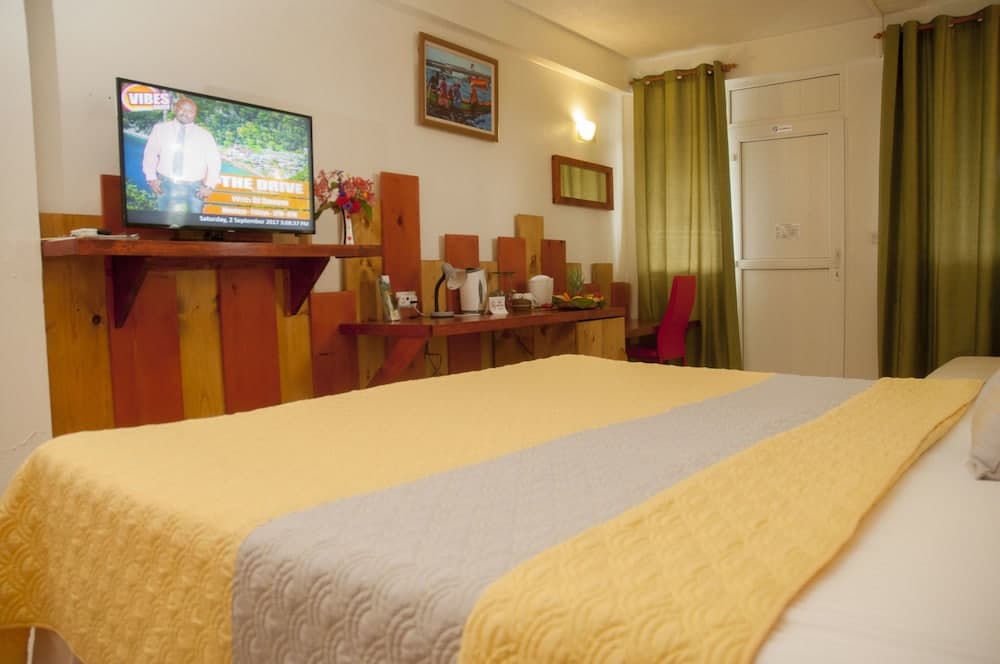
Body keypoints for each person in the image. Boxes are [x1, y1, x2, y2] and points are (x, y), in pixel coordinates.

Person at [142, 96, 221, 217]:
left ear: (195, 114)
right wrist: (151, 178)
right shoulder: (160, 129)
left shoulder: (205, 136)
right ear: (175, 108)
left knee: (195, 223)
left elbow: (214, 163)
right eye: (182, 109)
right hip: (165, 184)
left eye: (190, 111)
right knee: (163, 220)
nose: (185, 113)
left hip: (194, 188)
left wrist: (209, 186)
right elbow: (150, 154)